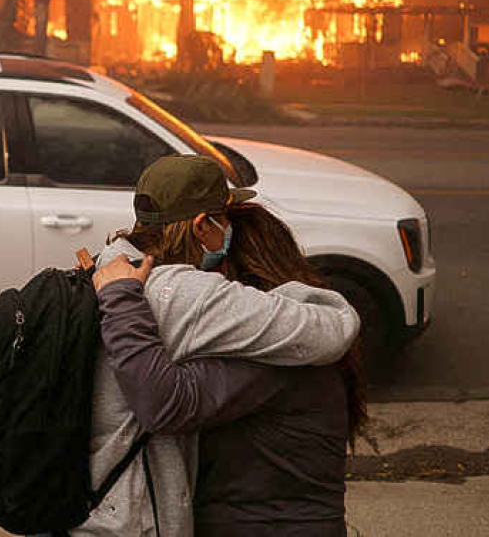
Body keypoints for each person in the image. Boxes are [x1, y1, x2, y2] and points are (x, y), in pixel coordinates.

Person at [72, 154, 360, 537]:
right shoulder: (194, 297)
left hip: (83, 508)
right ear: (201, 226)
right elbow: (334, 329)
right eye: (222, 218)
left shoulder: (105, 269)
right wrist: (314, 298)